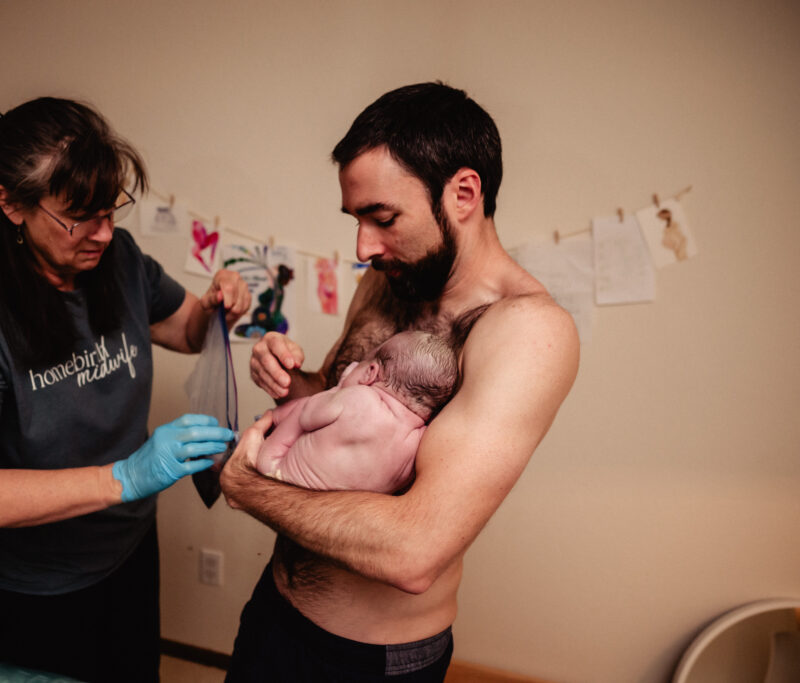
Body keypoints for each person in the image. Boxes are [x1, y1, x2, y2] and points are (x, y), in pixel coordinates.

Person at [220, 82, 580, 682]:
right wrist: (288, 382)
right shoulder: (388, 280)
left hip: (365, 662)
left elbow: (414, 553)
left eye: (383, 218)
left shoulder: (527, 331)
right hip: (274, 610)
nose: (363, 247)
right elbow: (336, 404)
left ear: (464, 192)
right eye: (357, 218)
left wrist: (249, 487)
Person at [0, 97, 251, 683]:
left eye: (111, 211)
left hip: (128, 543)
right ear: (10, 204)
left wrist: (218, 309)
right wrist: (123, 477)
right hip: (36, 580)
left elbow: (187, 333)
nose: (103, 234)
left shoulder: (120, 260)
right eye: (78, 217)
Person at [254, 330, 457, 493]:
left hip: (283, 477)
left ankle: (268, 428)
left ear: (370, 372)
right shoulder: (416, 440)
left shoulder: (359, 398)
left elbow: (307, 416)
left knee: (300, 410)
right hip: (339, 512)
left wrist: (339, 388)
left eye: (361, 364)